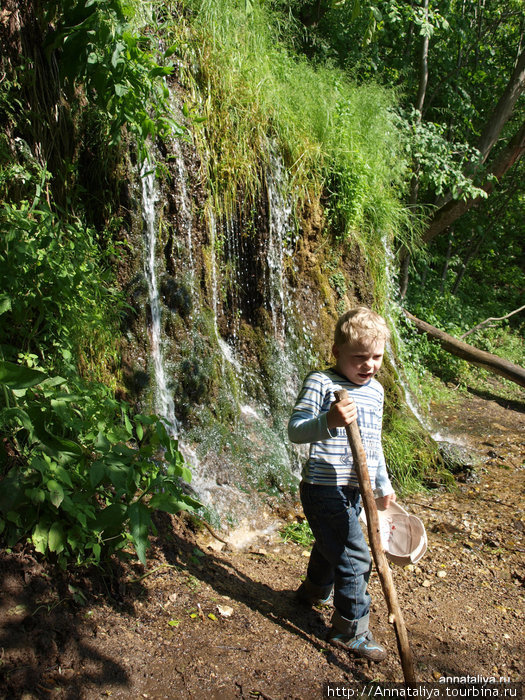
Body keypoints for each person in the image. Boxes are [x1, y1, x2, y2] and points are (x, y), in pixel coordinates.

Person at [288, 306, 396, 662]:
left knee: (331, 542)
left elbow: (373, 444)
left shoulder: (376, 391)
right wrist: (328, 420)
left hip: (355, 488)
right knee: (354, 556)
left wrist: (382, 484)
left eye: (376, 357)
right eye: (359, 357)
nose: (369, 365)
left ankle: (315, 590)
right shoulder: (321, 382)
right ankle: (349, 629)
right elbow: (295, 430)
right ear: (337, 352)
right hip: (322, 487)